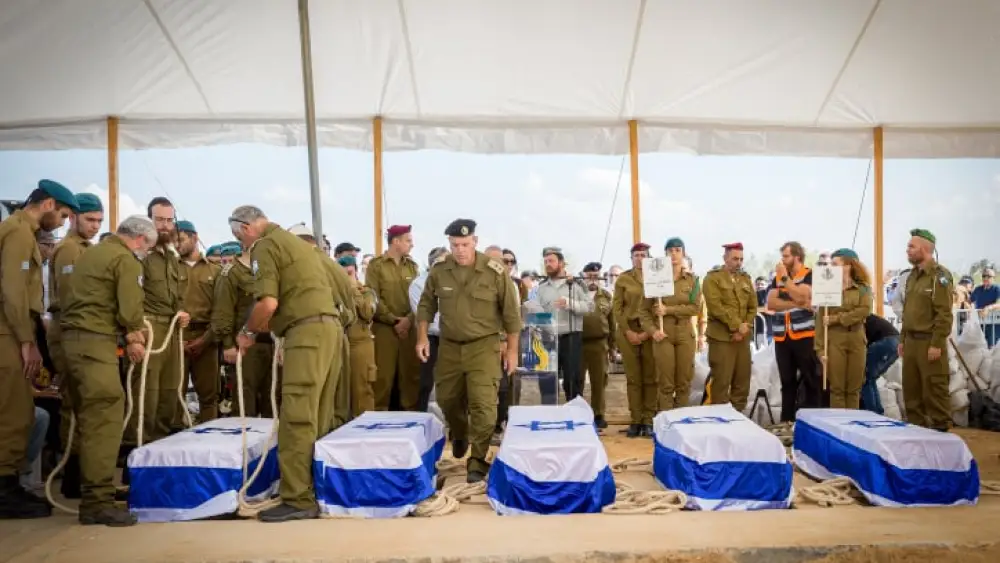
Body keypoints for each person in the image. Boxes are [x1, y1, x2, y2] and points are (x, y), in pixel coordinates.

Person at [230, 205, 341, 522]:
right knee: (319, 415)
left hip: (305, 332)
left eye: (240, 239)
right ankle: (314, 488)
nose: (242, 245)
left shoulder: (264, 247)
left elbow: (268, 302)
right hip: (328, 330)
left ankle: (297, 497)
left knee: (296, 417)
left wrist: (248, 332)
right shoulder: (299, 245)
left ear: (247, 228)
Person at [60, 214, 157, 526]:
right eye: (147, 248)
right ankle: (96, 501)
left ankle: (92, 490)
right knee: (105, 416)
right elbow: (130, 305)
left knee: (89, 418)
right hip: (95, 342)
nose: (145, 253)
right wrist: (134, 335)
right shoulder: (124, 260)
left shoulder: (93, 253)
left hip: (74, 343)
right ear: (140, 240)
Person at [416, 219, 521, 483]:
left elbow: (511, 315)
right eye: (455, 245)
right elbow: (426, 305)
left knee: (484, 406)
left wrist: (511, 351)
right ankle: (460, 433)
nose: (460, 250)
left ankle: (477, 460)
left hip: (484, 346)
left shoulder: (494, 272)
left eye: (465, 244)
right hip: (450, 346)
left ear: (475, 241)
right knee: (447, 400)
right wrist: (421, 338)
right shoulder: (440, 270)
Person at [0, 179, 78, 519]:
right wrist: (27, 342)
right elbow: (13, 292)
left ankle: (9, 483)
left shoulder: (17, 230)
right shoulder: (18, 233)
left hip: (11, 330)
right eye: (61, 215)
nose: (61, 223)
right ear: (47, 205)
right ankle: (3, 489)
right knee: (14, 412)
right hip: (8, 332)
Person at [47, 192, 104, 499]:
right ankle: (73, 472)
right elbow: (72, 298)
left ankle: (83, 472)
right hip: (70, 330)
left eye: (99, 221)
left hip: (83, 331)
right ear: (73, 217)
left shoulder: (86, 249)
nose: (95, 226)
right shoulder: (69, 250)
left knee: (86, 402)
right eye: (90, 219)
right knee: (74, 403)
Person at [124, 197, 190, 449]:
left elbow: (174, 294)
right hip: (148, 327)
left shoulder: (171, 255)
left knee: (169, 392)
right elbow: (129, 294)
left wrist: (181, 312)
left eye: (169, 220)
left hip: (171, 330)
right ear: (148, 220)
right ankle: (135, 447)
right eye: (159, 219)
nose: (164, 226)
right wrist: (133, 332)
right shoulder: (138, 254)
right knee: (145, 395)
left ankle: (160, 450)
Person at [899, 228, 954, 431]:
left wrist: (937, 343)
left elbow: (944, 314)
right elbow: (908, 311)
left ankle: (941, 437)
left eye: (911, 246)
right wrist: (903, 339)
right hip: (911, 343)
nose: (907, 250)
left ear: (925, 249)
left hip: (929, 343)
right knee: (911, 394)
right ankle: (917, 436)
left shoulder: (939, 277)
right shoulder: (912, 276)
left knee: (934, 391)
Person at [213, 241, 275, 417]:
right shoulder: (231, 272)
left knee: (272, 400)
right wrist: (227, 345)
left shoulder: (267, 270)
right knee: (244, 402)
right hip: (246, 345)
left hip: (271, 343)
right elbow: (223, 310)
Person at [639, 238, 700, 412]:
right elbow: (643, 312)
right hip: (663, 333)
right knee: (665, 383)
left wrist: (669, 309)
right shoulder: (654, 280)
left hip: (685, 333)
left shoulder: (692, 281)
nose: (673, 254)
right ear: (665, 254)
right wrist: (652, 331)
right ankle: (666, 421)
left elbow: (695, 308)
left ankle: (681, 421)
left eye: (677, 250)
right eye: (670, 250)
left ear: (683, 253)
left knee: (683, 382)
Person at [366, 225, 420, 411]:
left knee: (410, 377)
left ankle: (409, 418)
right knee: (382, 377)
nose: (412, 244)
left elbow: (419, 297)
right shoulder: (376, 266)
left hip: (409, 329)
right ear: (395, 241)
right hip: (384, 330)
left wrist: (408, 320)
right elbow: (372, 296)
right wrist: (393, 320)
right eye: (408, 240)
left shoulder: (413, 267)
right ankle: (378, 418)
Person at [767, 241, 820, 421]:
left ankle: (813, 422)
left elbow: (804, 295)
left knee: (812, 380)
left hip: (804, 335)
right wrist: (796, 301)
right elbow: (771, 303)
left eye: (786, 256)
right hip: (782, 337)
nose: (782, 260)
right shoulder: (778, 277)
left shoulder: (809, 274)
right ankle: (786, 421)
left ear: (797, 256)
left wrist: (785, 282)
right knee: (787, 383)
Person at [814, 249, 873, 409]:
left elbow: (864, 311)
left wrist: (836, 319)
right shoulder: (827, 288)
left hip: (856, 338)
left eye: (835, 264)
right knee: (837, 388)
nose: (830, 267)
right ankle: (838, 425)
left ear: (848, 265)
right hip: (835, 340)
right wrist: (820, 349)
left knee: (854, 388)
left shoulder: (863, 289)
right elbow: (820, 320)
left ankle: (852, 425)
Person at [702, 243, 756, 413]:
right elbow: (715, 307)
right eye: (735, 258)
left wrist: (745, 326)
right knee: (721, 383)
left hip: (742, 339)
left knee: (742, 383)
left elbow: (753, 307)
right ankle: (720, 422)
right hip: (722, 339)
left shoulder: (746, 279)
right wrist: (736, 326)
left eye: (741, 259)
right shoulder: (712, 278)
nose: (738, 262)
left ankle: (738, 419)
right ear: (725, 258)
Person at [176, 221, 222, 422]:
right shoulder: (169, 268)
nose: (177, 244)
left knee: (209, 395)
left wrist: (205, 340)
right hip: (175, 337)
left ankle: (208, 436)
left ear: (194, 238)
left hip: (207, 337)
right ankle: (174, 434)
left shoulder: (215, 270)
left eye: (181, 239)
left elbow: (221, 309)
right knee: (173, 393)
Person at [535, 246, 593, 402]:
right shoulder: (541, 288)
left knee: (572, 380)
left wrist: (570, 303)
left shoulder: (576, 285)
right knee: (547, 381)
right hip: (548, 339)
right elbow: (537, 313)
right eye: (546, 261)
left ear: (561, 263)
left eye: (551, 261)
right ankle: (549, 416)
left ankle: (573, 415)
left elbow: (589, 307)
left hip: (571, 337)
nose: (548, 264)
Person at [612, 242, 656, 437]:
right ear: (631, 258)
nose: (640, 258)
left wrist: (647, 332)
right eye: (636, 255)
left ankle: (648, 420)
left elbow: (658, 306)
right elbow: (617, 308)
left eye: (643, 255)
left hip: (649, 331)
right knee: (633, 378)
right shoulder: (623, 279)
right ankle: (636, 419)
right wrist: (628, 331)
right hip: (628, 330)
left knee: (650, 377)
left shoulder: (656, 278)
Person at [409, 247, 449, 412]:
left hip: (452, 337)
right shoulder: (418, 284)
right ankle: (422, 417)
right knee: (426, 382)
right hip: (430, 337)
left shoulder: (455, 281)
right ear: (432, 265)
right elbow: (424, 314)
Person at [339, 255, 377, 415]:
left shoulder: (367, 292)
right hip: (339, 344)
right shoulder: (333, 293)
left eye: (349, 273)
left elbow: (367, 313)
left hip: (359, 344)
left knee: (362, 390)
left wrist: (353, 289)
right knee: (339, 392)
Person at [581, 262, 614, 428]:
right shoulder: (576, 294)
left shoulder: (606, 297)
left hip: (599, 343)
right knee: (577, 379)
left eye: (596, 276)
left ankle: (598, 413)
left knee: (599, 380)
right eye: (589, 276)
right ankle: (577, 412)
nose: (593, 279)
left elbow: (612, 323)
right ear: (584, 276)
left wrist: (612, 347)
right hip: (578, 343)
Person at [862, 314, 900, 414]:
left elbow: (862, 342)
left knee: (864, 379)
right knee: (871, 378)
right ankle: (878, 413)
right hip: (897, 344)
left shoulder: (861, 320)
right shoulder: (872, 319)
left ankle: (872, 413)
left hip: (885, 342)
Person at [971, 268, 999, 347]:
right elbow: (969, 300)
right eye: (984, 276)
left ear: (994, 278)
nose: (986, 278)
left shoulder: (997, 289)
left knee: (992, 346)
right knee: (979, 347)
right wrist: (967, 306)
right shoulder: (977, 289)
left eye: (989, 276)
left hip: (994, 325)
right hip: (980, 323)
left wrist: (988, 308)